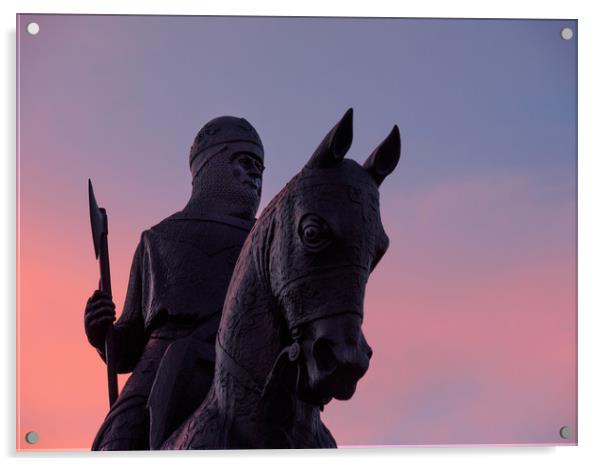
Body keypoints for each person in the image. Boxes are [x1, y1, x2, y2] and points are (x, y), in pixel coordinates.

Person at [83, 116, 265, 450]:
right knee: (117, 443)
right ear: (211, 167)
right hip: (158, 371)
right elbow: (128, 345)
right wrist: (101, 334)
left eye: (259, 166)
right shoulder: (158, 239)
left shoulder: (265, 239)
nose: (255, 173)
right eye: (244, 162)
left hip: (250, 372)